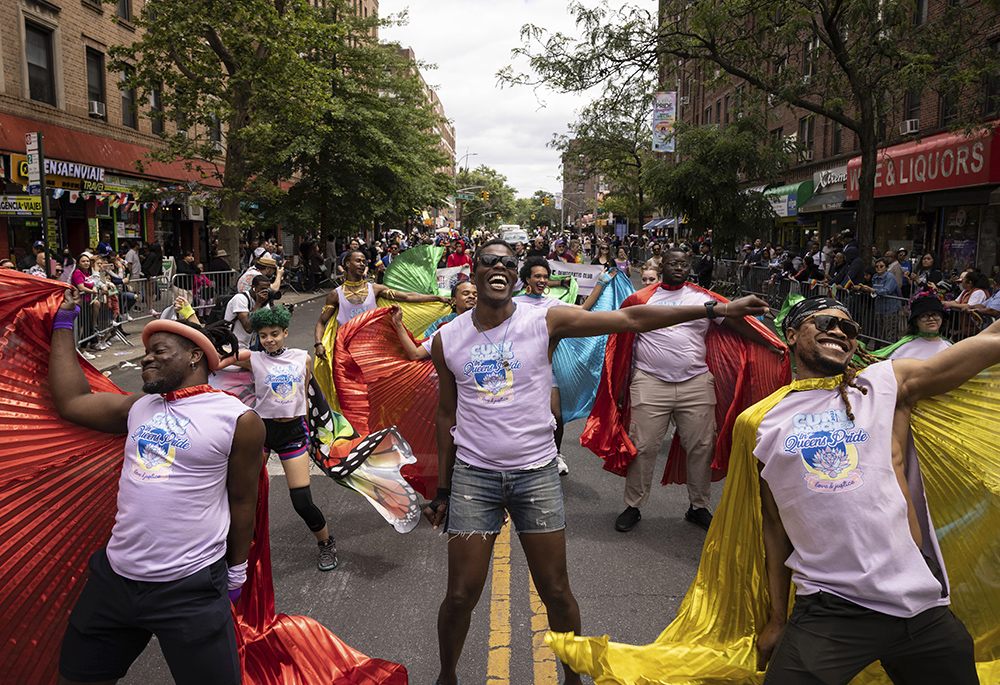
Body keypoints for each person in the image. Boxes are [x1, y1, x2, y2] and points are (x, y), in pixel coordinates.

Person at [424, 238, 770, 685]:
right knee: (459, 596)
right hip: (475, 476)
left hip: (536, 476)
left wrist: (714, 310)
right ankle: (446, 676)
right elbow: (446, 414)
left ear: (515, 275)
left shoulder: (544, 320)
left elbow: (630, 318)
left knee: (555, 591)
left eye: (508, 263)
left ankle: (573, 679)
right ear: (473, 271)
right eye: (489, 260)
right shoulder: (448, 339)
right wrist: (444, 488)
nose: (499, 267)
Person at [753, 295, 990, 684]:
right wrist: (777, 620)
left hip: (919, 607)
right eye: (825, 322)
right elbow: (774, 526)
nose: (839, 332)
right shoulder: (764, 421)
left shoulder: (881, 384)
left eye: (849, 329)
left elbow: (986, 346)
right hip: (830, 609)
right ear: (791, 335)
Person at [48, 297, 264, 685]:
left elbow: (243, 499)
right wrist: (64, 324)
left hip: (191, 586)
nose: (146, 359)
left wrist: (236, 571)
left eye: (158, 351)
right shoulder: (140, 408)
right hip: (114, 581)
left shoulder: (237, 419)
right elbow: (72, 402)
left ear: (195, 356)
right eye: (145, 353)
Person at [609, 248, 784, 533]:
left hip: (695, 383)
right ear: (661, 265)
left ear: (690, 268)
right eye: (673, 263)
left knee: (702, 447)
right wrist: (618, 388)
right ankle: (633, 505)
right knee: (642, 447)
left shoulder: (703, 299)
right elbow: (620, 342)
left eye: (684, 264)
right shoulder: (641, 299)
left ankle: (698, 507)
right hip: (650, 383)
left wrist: (768, 343)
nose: (679, 267)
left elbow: (737, 324)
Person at [229, 306, 337, 571]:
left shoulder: (303, 358)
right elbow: (215, 358)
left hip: (293, 433)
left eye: (275, 334)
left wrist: (311, 431)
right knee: (243, 495)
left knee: (301, 500)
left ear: (285, 332)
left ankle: (326, 543)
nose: (269, 340)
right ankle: (235, 554)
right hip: (262, 432)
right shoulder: (253, 358)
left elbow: (306, 394)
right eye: (263, 335)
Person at [513, 256, 614, 475]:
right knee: (519, 414)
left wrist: (601, 283)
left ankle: (555, 455)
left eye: (545, 277)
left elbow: (584, 310)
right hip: (517, 369)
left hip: (545, 368)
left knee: (555, 416)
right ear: (526, 279)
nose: (542, 280)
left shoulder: (553, 304)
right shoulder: (513, 304)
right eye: (537, 276)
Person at [313, 249, 449, 361]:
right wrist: (318, 343)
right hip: (347, 351)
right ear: (348, 264)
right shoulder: (335, 295)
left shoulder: (375, 289)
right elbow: (321, 322)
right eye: (358, 261)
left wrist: (438, 298)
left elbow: (408, 297)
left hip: (373, 349)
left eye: (364, 262)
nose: (362, 264)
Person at [393, 282, 478, 361]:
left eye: (476, 294)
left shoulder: (489, 322)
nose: (472, 296)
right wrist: (398, 323)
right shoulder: (445, 327)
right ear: (453, 301)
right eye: (466, 294)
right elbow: (416, 354)